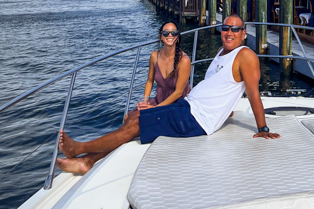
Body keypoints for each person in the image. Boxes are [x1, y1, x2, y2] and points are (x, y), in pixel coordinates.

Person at [56, 15, 280, 174]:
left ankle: (80, 149)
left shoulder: (246, 55)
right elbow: (222, 88)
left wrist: (263, 128)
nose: (229, 32)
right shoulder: (222, 53)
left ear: (243, 33)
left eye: (235, 29)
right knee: (133, 117)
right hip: (189, 107)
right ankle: (88, 161)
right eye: (226, 28)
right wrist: (225, 110)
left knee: (136, 125)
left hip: (196, 119)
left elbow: (252, 93)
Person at [139, 21, 191, 108]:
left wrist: (155, 108)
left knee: (135, 120)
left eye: (174, 33)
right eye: (166, 33)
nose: (170, 35)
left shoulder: (184, 60)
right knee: (127, 117)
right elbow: (150, 81)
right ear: (161, 37)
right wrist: (144, 102)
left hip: (178, 105)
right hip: (159, 101)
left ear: (177, 37)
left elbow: (178, 93)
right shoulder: (154, 56)